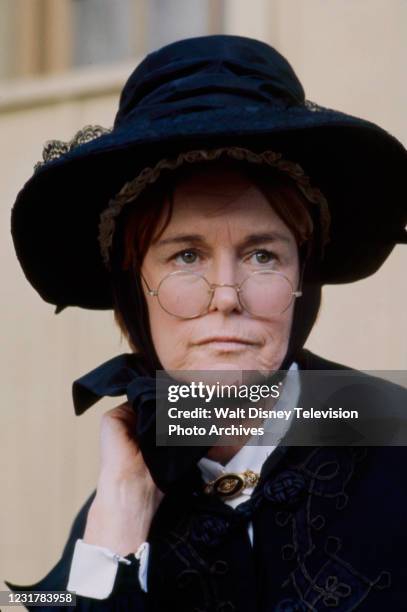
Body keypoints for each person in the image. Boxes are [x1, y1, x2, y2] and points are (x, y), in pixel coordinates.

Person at [6, 35, 407, 611]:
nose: (226, 298)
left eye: (262, 254)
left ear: (302, 280)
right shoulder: (114, 506)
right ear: (134, 290)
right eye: (186, 256)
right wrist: (120, 510)